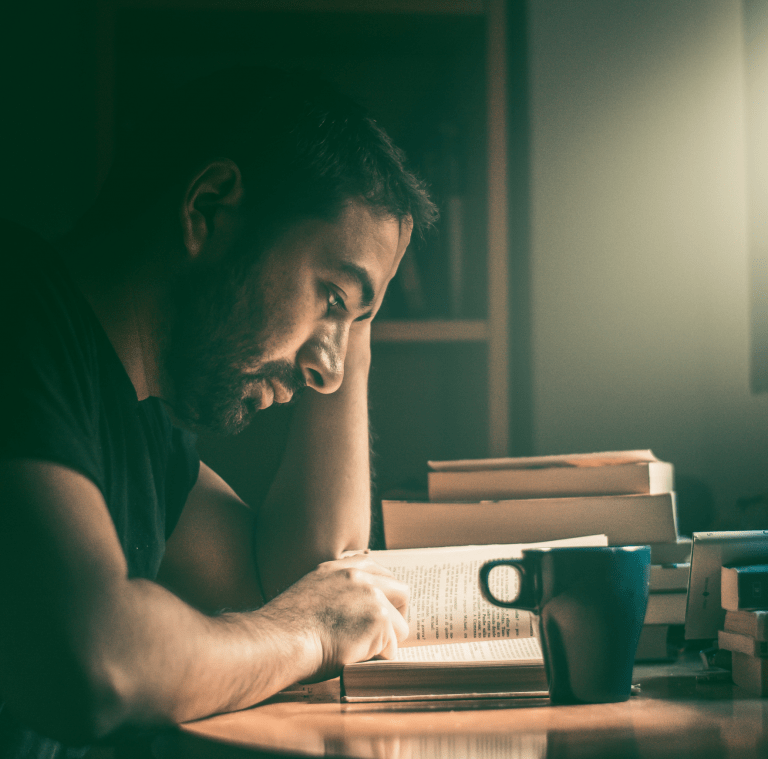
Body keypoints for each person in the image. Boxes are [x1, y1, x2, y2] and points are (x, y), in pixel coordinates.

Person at [0, 67, 437, 758]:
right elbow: (97, 662)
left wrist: (357, 308)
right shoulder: (17, 314)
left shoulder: (140, 426)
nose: (330, 368)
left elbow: (303, 579)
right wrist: (309, 632)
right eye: (328, 296)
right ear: (207, 208)